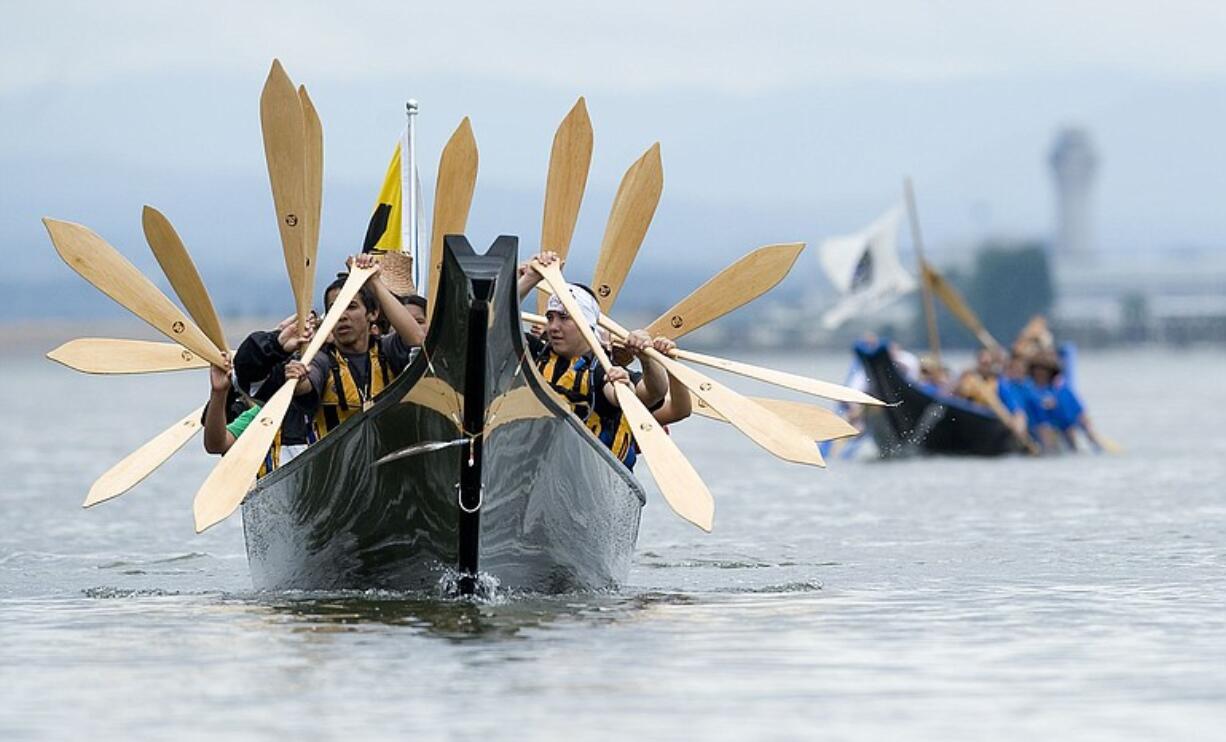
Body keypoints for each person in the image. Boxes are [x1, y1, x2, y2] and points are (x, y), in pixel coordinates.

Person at [293, 255, 427, 437]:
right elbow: (306, 384)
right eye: (335, 309)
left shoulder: (387, 351)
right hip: (336, 464)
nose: (341, 316)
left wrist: (374, 281)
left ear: (372, 313)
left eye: (351, 307)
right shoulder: (322, 360)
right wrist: (298, 379)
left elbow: (417, 338)